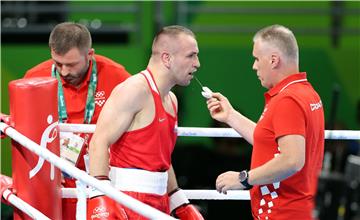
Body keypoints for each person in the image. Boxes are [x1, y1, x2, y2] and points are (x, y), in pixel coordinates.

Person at [206, 24, 324, 219]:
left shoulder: (288, 100)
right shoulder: (306, 93)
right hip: (295, 209)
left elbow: (292, 160)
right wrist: (230, 116)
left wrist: (243, 179)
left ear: (273, 60)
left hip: (283, 212)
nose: (253, 66)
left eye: (256, 58)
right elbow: (269, 142)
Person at [87, 25, 204, 219]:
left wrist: (178, 199)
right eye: (191, 56)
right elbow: (99, 142)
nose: (197, 63)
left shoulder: (171, 100)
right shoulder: (134, 90)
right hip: (127, 200)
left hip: (159, 201)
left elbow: (162, 158)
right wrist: (101, 196)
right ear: (167, 58)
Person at [24, 22, 131, 220]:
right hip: (52, 183)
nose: (64, 72)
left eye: (71, 65)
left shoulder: (118, 77)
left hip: (103, 182)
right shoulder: (34, 79)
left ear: (90, 54)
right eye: (57, 63)